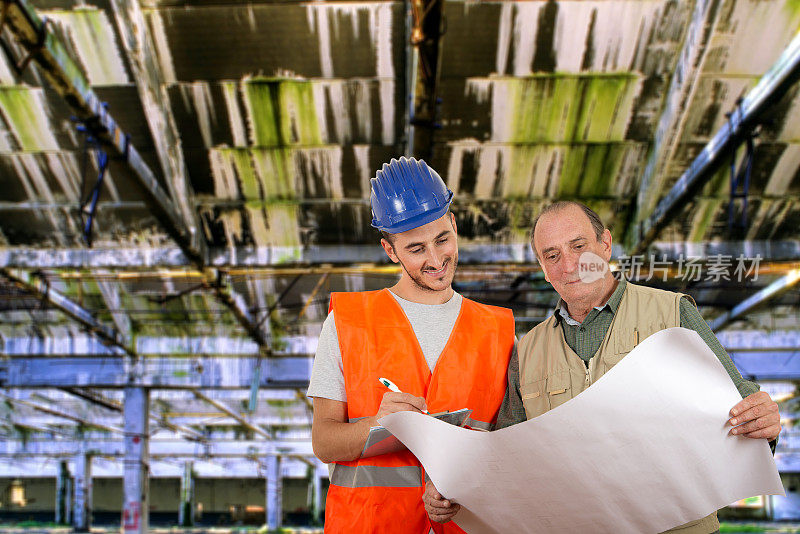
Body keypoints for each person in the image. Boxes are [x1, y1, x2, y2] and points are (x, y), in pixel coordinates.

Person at [423, 200, 781, 533]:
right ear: (544, 269)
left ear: (605, 245)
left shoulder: (671, 313)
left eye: (578, 246)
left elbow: (740, 404)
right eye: (552, 255)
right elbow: (506, 455)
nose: (569, 265)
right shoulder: (527, 350)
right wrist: (453, 486)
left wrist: (763, 419)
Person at [308, 156, 516, 533]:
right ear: (390, 250)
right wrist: (382, 425)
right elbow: (324, 441)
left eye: (443, 239)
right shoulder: (346, 322)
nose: (436, 260)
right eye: (416, 249)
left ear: (453, 224)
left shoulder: (499, 331)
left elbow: (510, 447)